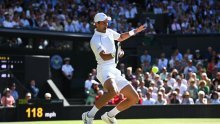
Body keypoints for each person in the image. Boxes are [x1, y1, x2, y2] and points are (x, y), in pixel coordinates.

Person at [82, 12, 146, 124]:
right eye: (104, 22)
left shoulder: (110, 32)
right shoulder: (95, 40)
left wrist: (135, 31)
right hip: (103, 70)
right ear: (97, 24)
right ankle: (89, 115)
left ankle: (109, 116)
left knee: (134, 97)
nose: (107, 24)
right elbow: (103, 56)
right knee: (113, 91)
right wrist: (116, 54)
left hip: (114, 71)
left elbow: (121, 37)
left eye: (107, 21)